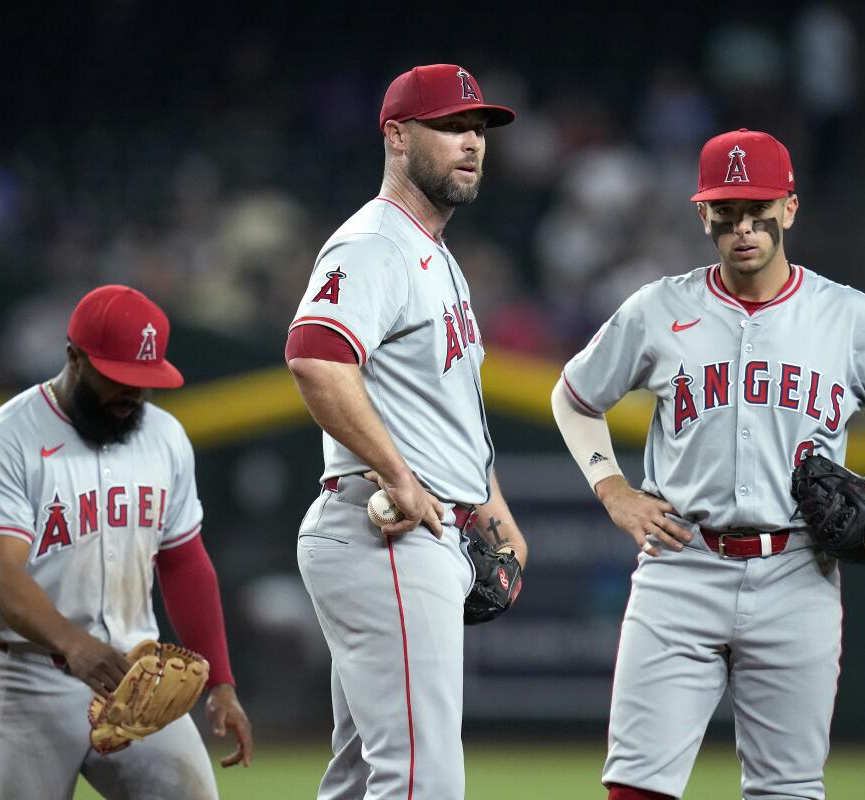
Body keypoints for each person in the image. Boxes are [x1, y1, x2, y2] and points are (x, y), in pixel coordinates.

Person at [550, 129, 865, 800]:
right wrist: (612, 487)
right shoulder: (658, 308)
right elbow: (573, 397)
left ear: (789, 208)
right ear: (702, 213)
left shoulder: (847, 316)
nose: (742, 226)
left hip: (798, 571)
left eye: (757, 208)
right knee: (635, 787)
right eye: (725, 210)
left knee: (787, 790)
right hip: (682, 567)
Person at [285, 63, 529, 799]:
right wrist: (399, 475)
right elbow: (315, 358)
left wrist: (494, 511)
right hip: (383, 532)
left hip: (422, 532)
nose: (472, 143)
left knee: (362, 780)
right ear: (396, 135)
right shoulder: (375, 245)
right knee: (422, 782)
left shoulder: (435, 255)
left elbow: (445, 408)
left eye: (478, 130)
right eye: (451, 127)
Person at [0, 285, 253, 800]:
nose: (134, 394)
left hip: (134, 676)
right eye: (119, 378)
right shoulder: (6, 438)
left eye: (146, 380)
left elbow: (184, 563)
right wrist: (75, 646)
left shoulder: (164, 437)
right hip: (27, 680)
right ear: (73, 357)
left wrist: (220, 682)